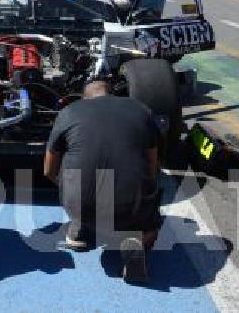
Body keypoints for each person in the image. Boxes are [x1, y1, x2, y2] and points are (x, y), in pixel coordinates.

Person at [43, 80, 163, 283]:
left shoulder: (69, 111)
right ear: (112, 94)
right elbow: (152, 166)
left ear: (84, 98)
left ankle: (79, 227)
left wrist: (71, 193)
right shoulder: (140, 109)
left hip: (80, 203)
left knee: (70, 162)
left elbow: (48, 170)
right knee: (151, 225)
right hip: (131, 205)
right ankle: (138, 243)